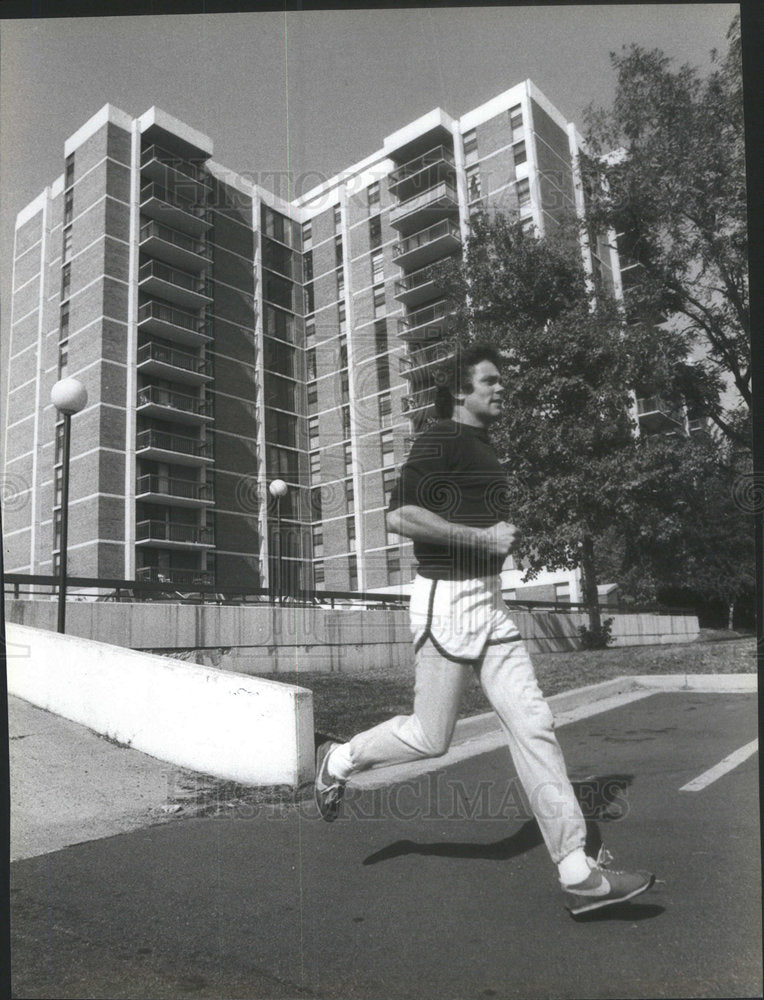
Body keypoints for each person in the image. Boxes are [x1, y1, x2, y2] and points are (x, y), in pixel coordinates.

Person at [314, 343, 655, 916]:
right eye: (491, 381)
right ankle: (339, 760)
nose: (502, 389)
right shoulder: (440, 439)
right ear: (459, 390)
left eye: (503, 381)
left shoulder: (484, 445)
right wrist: (483, 539)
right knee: (431, 737)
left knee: (535, 724)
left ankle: (577, 872)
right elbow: (398, 516)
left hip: (490, 606)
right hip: (446, 603)